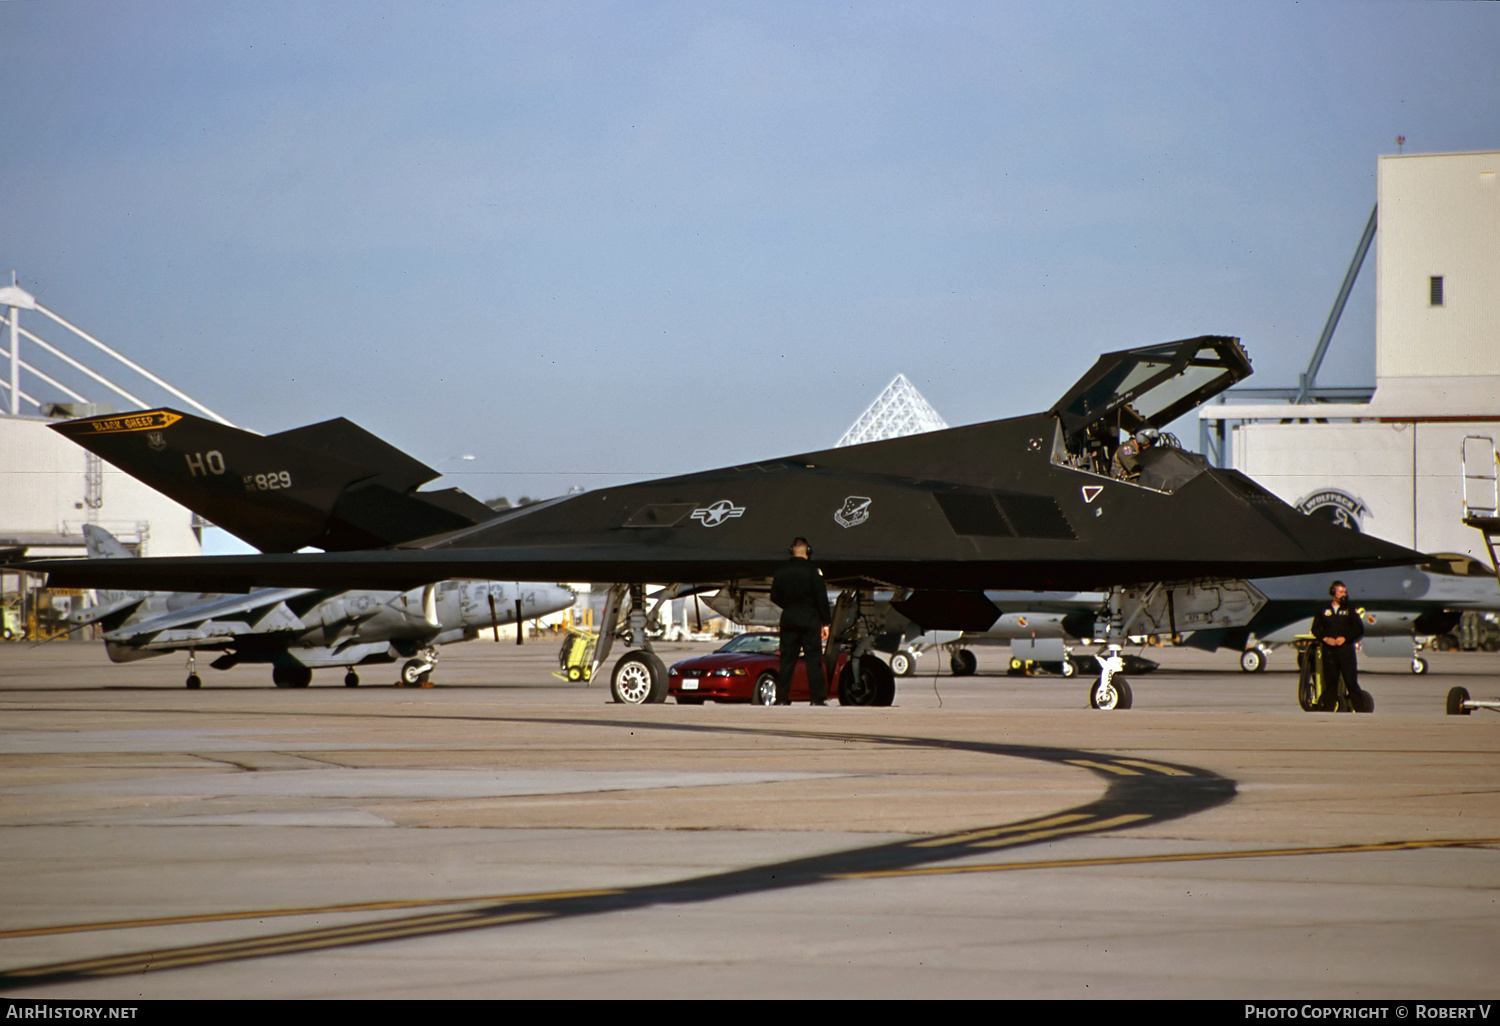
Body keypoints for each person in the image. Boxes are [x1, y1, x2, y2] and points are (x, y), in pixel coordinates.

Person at [769, 537, 832, 705]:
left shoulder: (781, 571)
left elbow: (774, 596)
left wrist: (789, 606)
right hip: (810, 619)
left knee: (787, 660)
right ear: (808, 552)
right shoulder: (813, 572)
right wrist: (826, 623)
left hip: (789, 618)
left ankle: (781, 698)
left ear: (792, 552)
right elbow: (821, 598)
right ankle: (817, 699)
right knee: (813, 660)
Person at [1311, 580, 1368, 710]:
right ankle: (1328, 709)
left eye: (1345, 592)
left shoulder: (1350, 609)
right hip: (1329, 651)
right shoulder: (1323, 610)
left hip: (1345, 650)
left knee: (1350, 681)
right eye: (1341, 591)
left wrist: (1345, 638)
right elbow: (1315, 628)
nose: (1344, 594)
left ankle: (1360, 709)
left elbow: (1358, 629)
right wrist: (1325, 638)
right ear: (1333, 593)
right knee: (1330, 683)